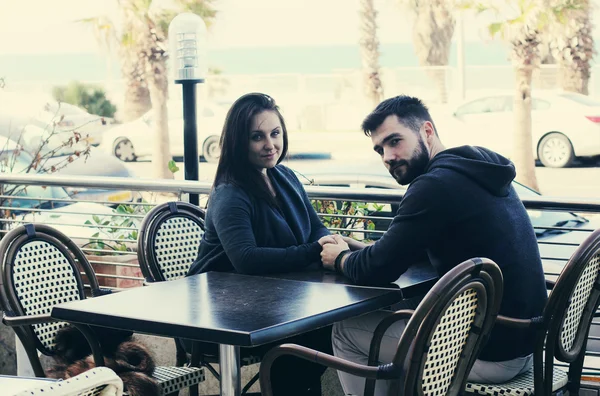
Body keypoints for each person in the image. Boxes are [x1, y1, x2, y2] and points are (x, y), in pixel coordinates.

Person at [320, 95, 548, 395]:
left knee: (346, 330)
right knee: (398, 311)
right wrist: (357, 250)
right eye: (380, 149)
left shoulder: (434, 185)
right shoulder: (474, 168)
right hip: (525, 344)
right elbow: (399, 253)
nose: (387, 156)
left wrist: (340, 260)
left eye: (394, 141)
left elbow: (375, 271)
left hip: (489, 353)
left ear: (427, 131)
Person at [187, 92, 334, 396]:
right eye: (258, 136)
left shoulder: (284, 175)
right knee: (302, 344)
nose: (270, 144)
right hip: (222, 315)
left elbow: (313, 224)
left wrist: (325, 240)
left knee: (326, 331)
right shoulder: (230, 193)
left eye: (275, 133)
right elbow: (247, 259)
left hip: (274, 302)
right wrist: (316, 250)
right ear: (239, 142)